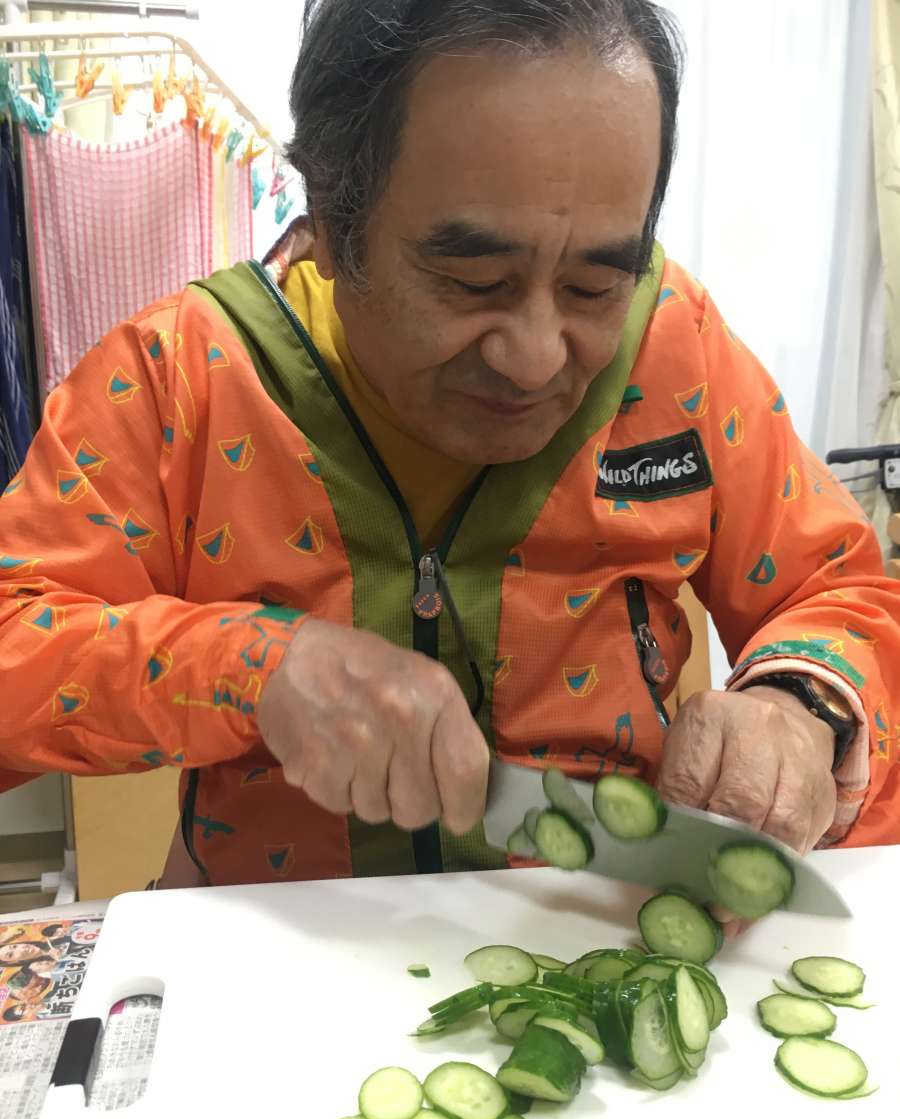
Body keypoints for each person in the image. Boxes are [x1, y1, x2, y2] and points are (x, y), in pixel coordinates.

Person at [0, 0, 898, 895]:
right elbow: (16, 637)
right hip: (275, 941)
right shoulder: (181, 378)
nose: (536, 357)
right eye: (474, 281)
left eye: (593, 286)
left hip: (600, 938)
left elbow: (840, 589)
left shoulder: (676, 345)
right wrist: (251, 666)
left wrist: (800, 703)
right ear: (331, 220)